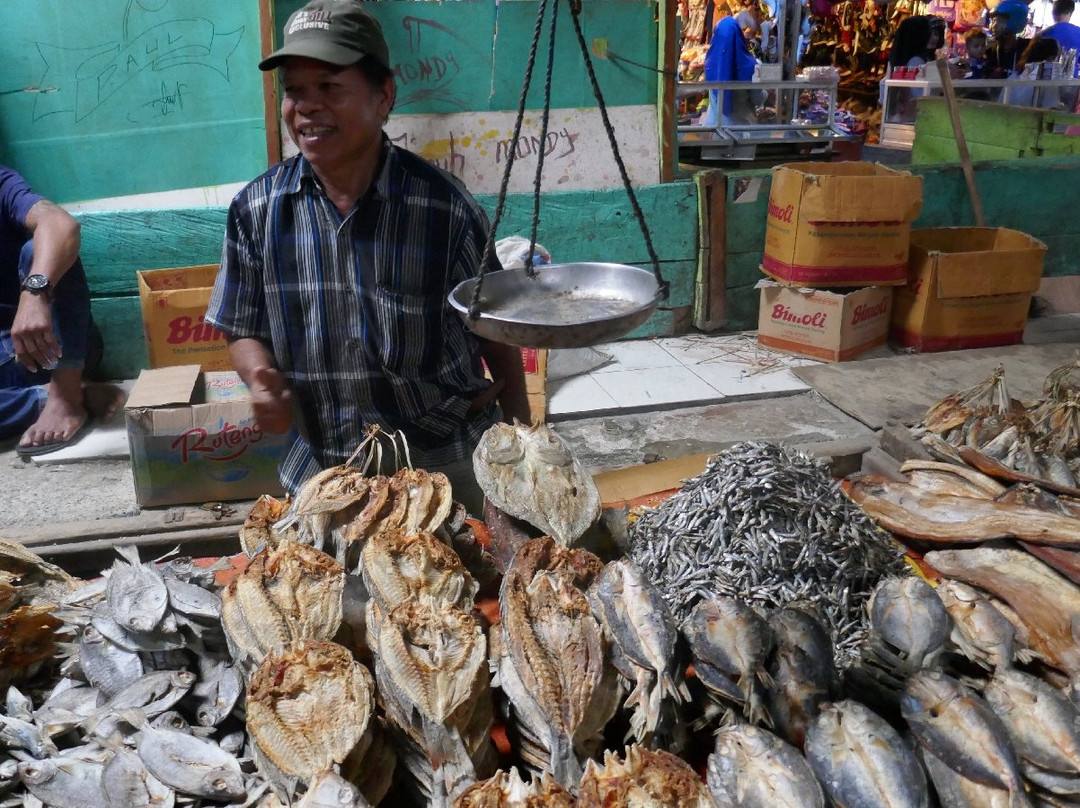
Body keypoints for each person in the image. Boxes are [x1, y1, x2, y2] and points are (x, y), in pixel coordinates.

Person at [205, 0, 529, 514]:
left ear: (383, 97)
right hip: (321, 467)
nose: (306, 107)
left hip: (441, 461)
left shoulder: (441, 206)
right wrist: (260, 378)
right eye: (295, 91)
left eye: (330, 88)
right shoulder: (257, 210)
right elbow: (240, 324)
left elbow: (495, 325)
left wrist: (521, 433)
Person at [0, 166, 123, 458]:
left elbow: (61, 225)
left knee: (38, 250)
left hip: (57, 343)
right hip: (8, 367)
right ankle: (49, 399)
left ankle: (66, 394)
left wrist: (33, 293)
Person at [703, 3, 766, 126]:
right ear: (739, 37)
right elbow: (758, 99)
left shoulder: (710, 62)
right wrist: (767, 92)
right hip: (742, 131)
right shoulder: (752, 65)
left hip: (714, 130)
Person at [986, 0, 1031, 78]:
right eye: (992, 21)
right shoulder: (989, 52)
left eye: (999, 21)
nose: (993, 26)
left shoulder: (1028, 48)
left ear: (1015, 21)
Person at [1039, 0, 1080, 75]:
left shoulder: (1044, 33)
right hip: (1072, 80)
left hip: (1047, 79)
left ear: (1053, 13)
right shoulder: (1078, 32)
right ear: (1070, 13)